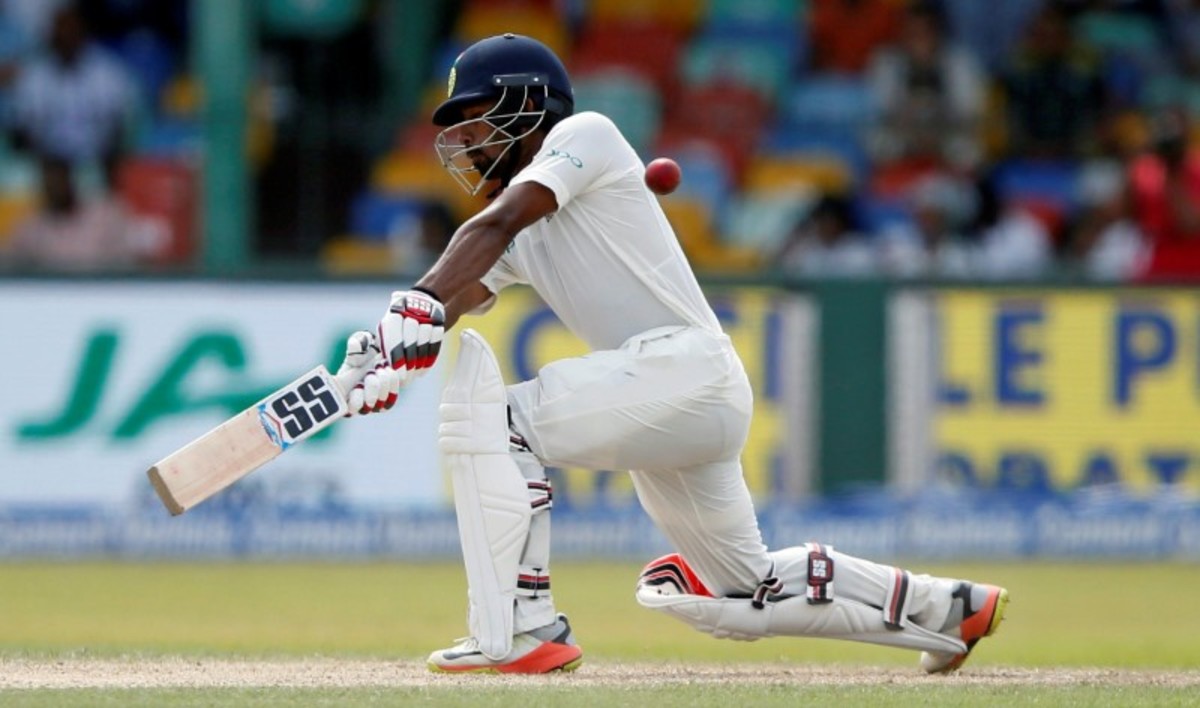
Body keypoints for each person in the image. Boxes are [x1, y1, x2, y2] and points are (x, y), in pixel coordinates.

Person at [335, 33, 1008, 675]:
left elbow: (490, 229)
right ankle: (948, 607)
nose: (469, 138)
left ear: (531, 103)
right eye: (461, 125)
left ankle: (523, 628)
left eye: (479, 116)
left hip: (681, 370)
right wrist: (381, 358)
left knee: (495, 422)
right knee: (743, 589)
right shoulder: (514, 232)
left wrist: (416, 303)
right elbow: (453, 294)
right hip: (677, 397)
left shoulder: (586, 135)